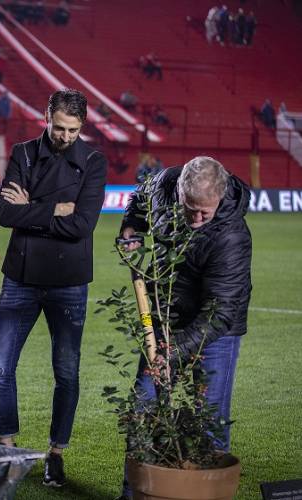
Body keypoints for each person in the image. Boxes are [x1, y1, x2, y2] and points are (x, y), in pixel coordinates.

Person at [0, 89, 107, 488]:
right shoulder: (23, 152)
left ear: (82, 126)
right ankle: (7, 449)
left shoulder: (92, 160)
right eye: (59, 127)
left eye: (73, 130)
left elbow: (83, 224)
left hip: (69, 282)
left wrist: (31, 208)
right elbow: (5, 212)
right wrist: (55, 207)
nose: (65, 136)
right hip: (20, 277)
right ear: (46, 116)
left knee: (67, 372)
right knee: (0, 366)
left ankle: (56, 453)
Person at [117, 156, 252, 499]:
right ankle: (134, 495)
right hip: (164, 318)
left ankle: (207, 493)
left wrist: (172, 352)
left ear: (219, 197)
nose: (194, 219)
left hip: (215, 331)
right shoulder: (164, 183)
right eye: (188, 209)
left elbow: (219, 313)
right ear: (178, 189)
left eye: (203, 213)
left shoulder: (232, 236)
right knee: (144, 410)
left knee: (209, 420)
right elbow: (139, 199)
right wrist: (131, 227)